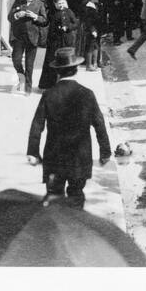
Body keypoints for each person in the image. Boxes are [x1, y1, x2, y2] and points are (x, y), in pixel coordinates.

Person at [26, 48, 113, 207]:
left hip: (54, 158)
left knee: (53, 197)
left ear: (57, 72)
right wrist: (105, 152)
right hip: (80, 158)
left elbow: (37, 124)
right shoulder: (87, 94)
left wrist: (33, 152)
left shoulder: (49, 94)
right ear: (76, 69)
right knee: (76, 195)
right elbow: (99, 125)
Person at [7, 0, 49, 93]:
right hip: (18, 37)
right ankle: (22, 79)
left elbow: (45, 21)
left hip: (32, 38)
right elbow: (9, 17)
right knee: (16, 60)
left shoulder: (40, 4)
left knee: (29, 65)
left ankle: (28, 88)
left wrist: (35, 16)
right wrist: (16, 15)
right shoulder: (17, 2)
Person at [41, 0, 79, 90]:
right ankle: (51, 84)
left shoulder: (69, 12)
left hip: (67, 40)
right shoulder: (52, 14)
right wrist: (58, 29)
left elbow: (76, 24)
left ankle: (67, 84)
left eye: (62, 3)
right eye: (58, 3)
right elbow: (51, 28)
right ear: (55, 4)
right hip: (56, 41)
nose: (61, 5)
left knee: (67, 61)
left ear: (65, 2)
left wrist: (68, 27)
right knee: (54, 61)